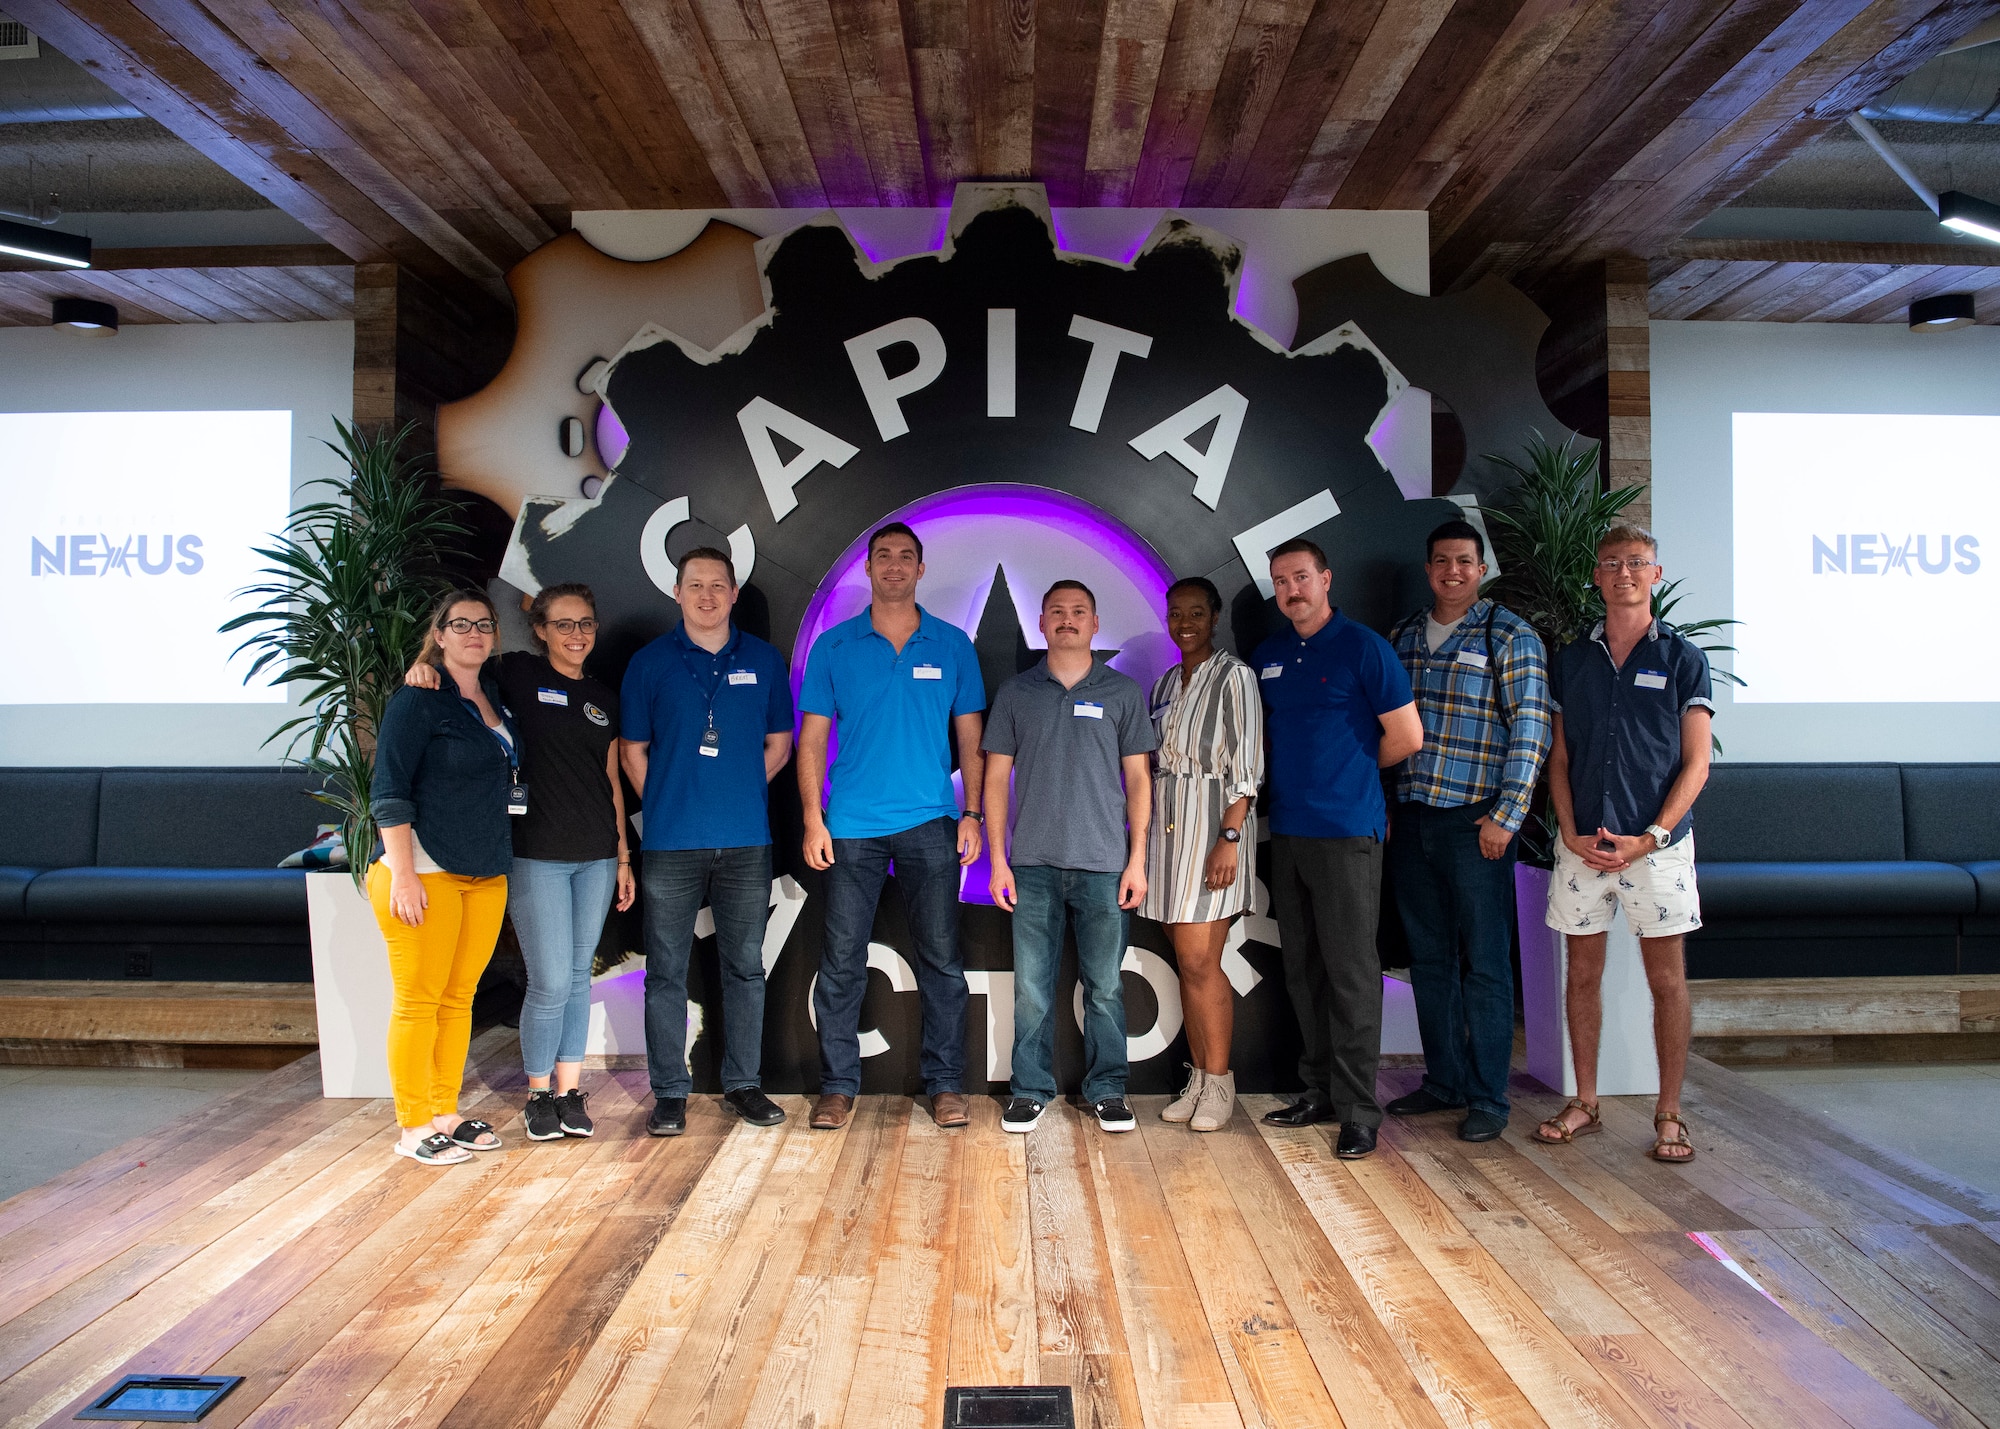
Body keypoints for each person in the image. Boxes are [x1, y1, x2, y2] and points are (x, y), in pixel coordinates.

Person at [405, 583, 636, 1142]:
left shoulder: (605, 696)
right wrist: (421, 669)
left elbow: (610, 779)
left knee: (579, 977)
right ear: (540, 630)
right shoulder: (516, 674)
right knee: (550, 978)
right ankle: (537, 1093)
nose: (576, 634)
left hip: (598, 855)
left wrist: (625, 854)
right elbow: (460, 661)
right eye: (563, 624)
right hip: (536, 854)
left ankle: (569, 1091)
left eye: (585, 624)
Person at [798, 521, 986, 1131]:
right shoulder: (835, 646)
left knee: (942, 962)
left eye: (907, 557)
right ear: (869, 567)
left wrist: (973, 813)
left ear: (921, 569)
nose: (895, 566)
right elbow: (812, 741)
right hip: (850, 825)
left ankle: (946, 1084)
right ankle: (837, 1087)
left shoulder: (953, 644)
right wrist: (812, 817)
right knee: (842, 960)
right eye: (884, 556)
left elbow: (971, 739)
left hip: (932, 823)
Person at [1535, 524, 1712, 1164]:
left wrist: (1652, 836)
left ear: (1655, 575)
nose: (1624, 573)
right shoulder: (1572, 659)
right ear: (1597, 577)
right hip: (1582, 845)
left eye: (1636, 562)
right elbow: (1559, 759)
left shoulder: (1683, 658)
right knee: (1582, 975)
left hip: (1657, 848)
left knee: (1667, 981)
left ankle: (1668, 1113)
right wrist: (1570, 830)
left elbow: (1697, 764)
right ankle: (1585, 1100)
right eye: (1611, 563)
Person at [1256, 539, 1423, 1160]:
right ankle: (1319, 1090)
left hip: (1349, 832)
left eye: (1301, 577)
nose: (1291, 589)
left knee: (1352, 974)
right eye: (1281, 581)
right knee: (1303, 969)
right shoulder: (1269, 655)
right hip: (1289, 833)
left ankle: (1358, 1110)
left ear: (1326, 578)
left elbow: (1407, 737)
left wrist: (1349, 770)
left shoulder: (1364, 647)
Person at [1385, 521, 1552, 1143]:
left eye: (1464, 561)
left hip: (1476, 822)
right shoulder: (1402, 636)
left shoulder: (1510, 634)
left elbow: (1532, 731)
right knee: (1429, 960)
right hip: (1415, 818)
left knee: (1484, 963)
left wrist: (1506, 818)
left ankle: (1487, 1097)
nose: (1451, 571)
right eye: (1440, 561)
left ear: (1481, 569)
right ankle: (1444, 1081)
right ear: (1427, 569)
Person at [620, 546, 794, 1137]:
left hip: (747, 841)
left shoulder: (766, 662)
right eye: (695, 585)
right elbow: (631, 752)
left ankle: (744, 1084)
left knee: (744, 969)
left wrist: (739, 788)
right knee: (666, 971)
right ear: (677, 593)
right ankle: (669, 1092)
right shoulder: (649, 664)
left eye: (717, 585)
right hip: (670, 843)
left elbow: (780, 745)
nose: (707, 596)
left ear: (733, 594)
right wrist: (673, 799)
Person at [984, 581, 1156, 1133]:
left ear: (1095, 623)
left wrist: (1137, 860)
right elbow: (993, 781)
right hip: (1031, 865)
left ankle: (1107, 1089)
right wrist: (997, 861)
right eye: (1057, 611)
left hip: (1105, 865)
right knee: (1032, 988)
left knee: (1104, 986)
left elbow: (1138, 779)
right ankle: (1030, 1089)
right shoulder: (1016, 693)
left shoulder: (1122, 693)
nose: (1067, 620)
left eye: (1078, 611)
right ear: (1041, 622)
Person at [369, 590, 517, 1165]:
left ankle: (444, 1111)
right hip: (425, 871)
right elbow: (390, 789)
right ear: (440, 632)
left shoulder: (494, 698)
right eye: (461, 624)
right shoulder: (418, 698)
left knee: (458, 1000)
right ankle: (411, 1126)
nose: (474, 633)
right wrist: (403, 875)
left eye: (484, 624)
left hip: (484, 870)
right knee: (418, 1001)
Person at [1141, 576, 1263, 1132]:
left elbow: (1247, 765)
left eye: (1196, 612)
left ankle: (1220, 1083)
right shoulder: (1165, 682)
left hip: (1214, 828)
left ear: (1215, 617)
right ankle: (1198, 1079)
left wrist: (1230, 837)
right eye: (1176, 613)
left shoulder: (1235, 677)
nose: (1185, 622)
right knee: (1187, 961)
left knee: (1198, 960)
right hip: (1167, 833)